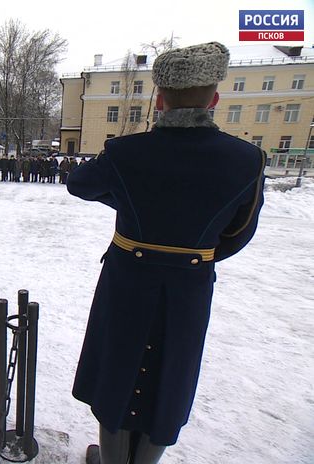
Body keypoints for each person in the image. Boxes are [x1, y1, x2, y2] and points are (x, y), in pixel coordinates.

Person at [67, 42, 266, 464]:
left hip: (127, 281)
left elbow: (80, 184)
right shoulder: (247, 159)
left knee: (118, 371)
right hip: (189, 286)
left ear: (159, 100)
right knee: (170, 376)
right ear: (214, 99)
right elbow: (239, 232)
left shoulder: (126, 152)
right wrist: (188, 251)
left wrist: (130, 201)